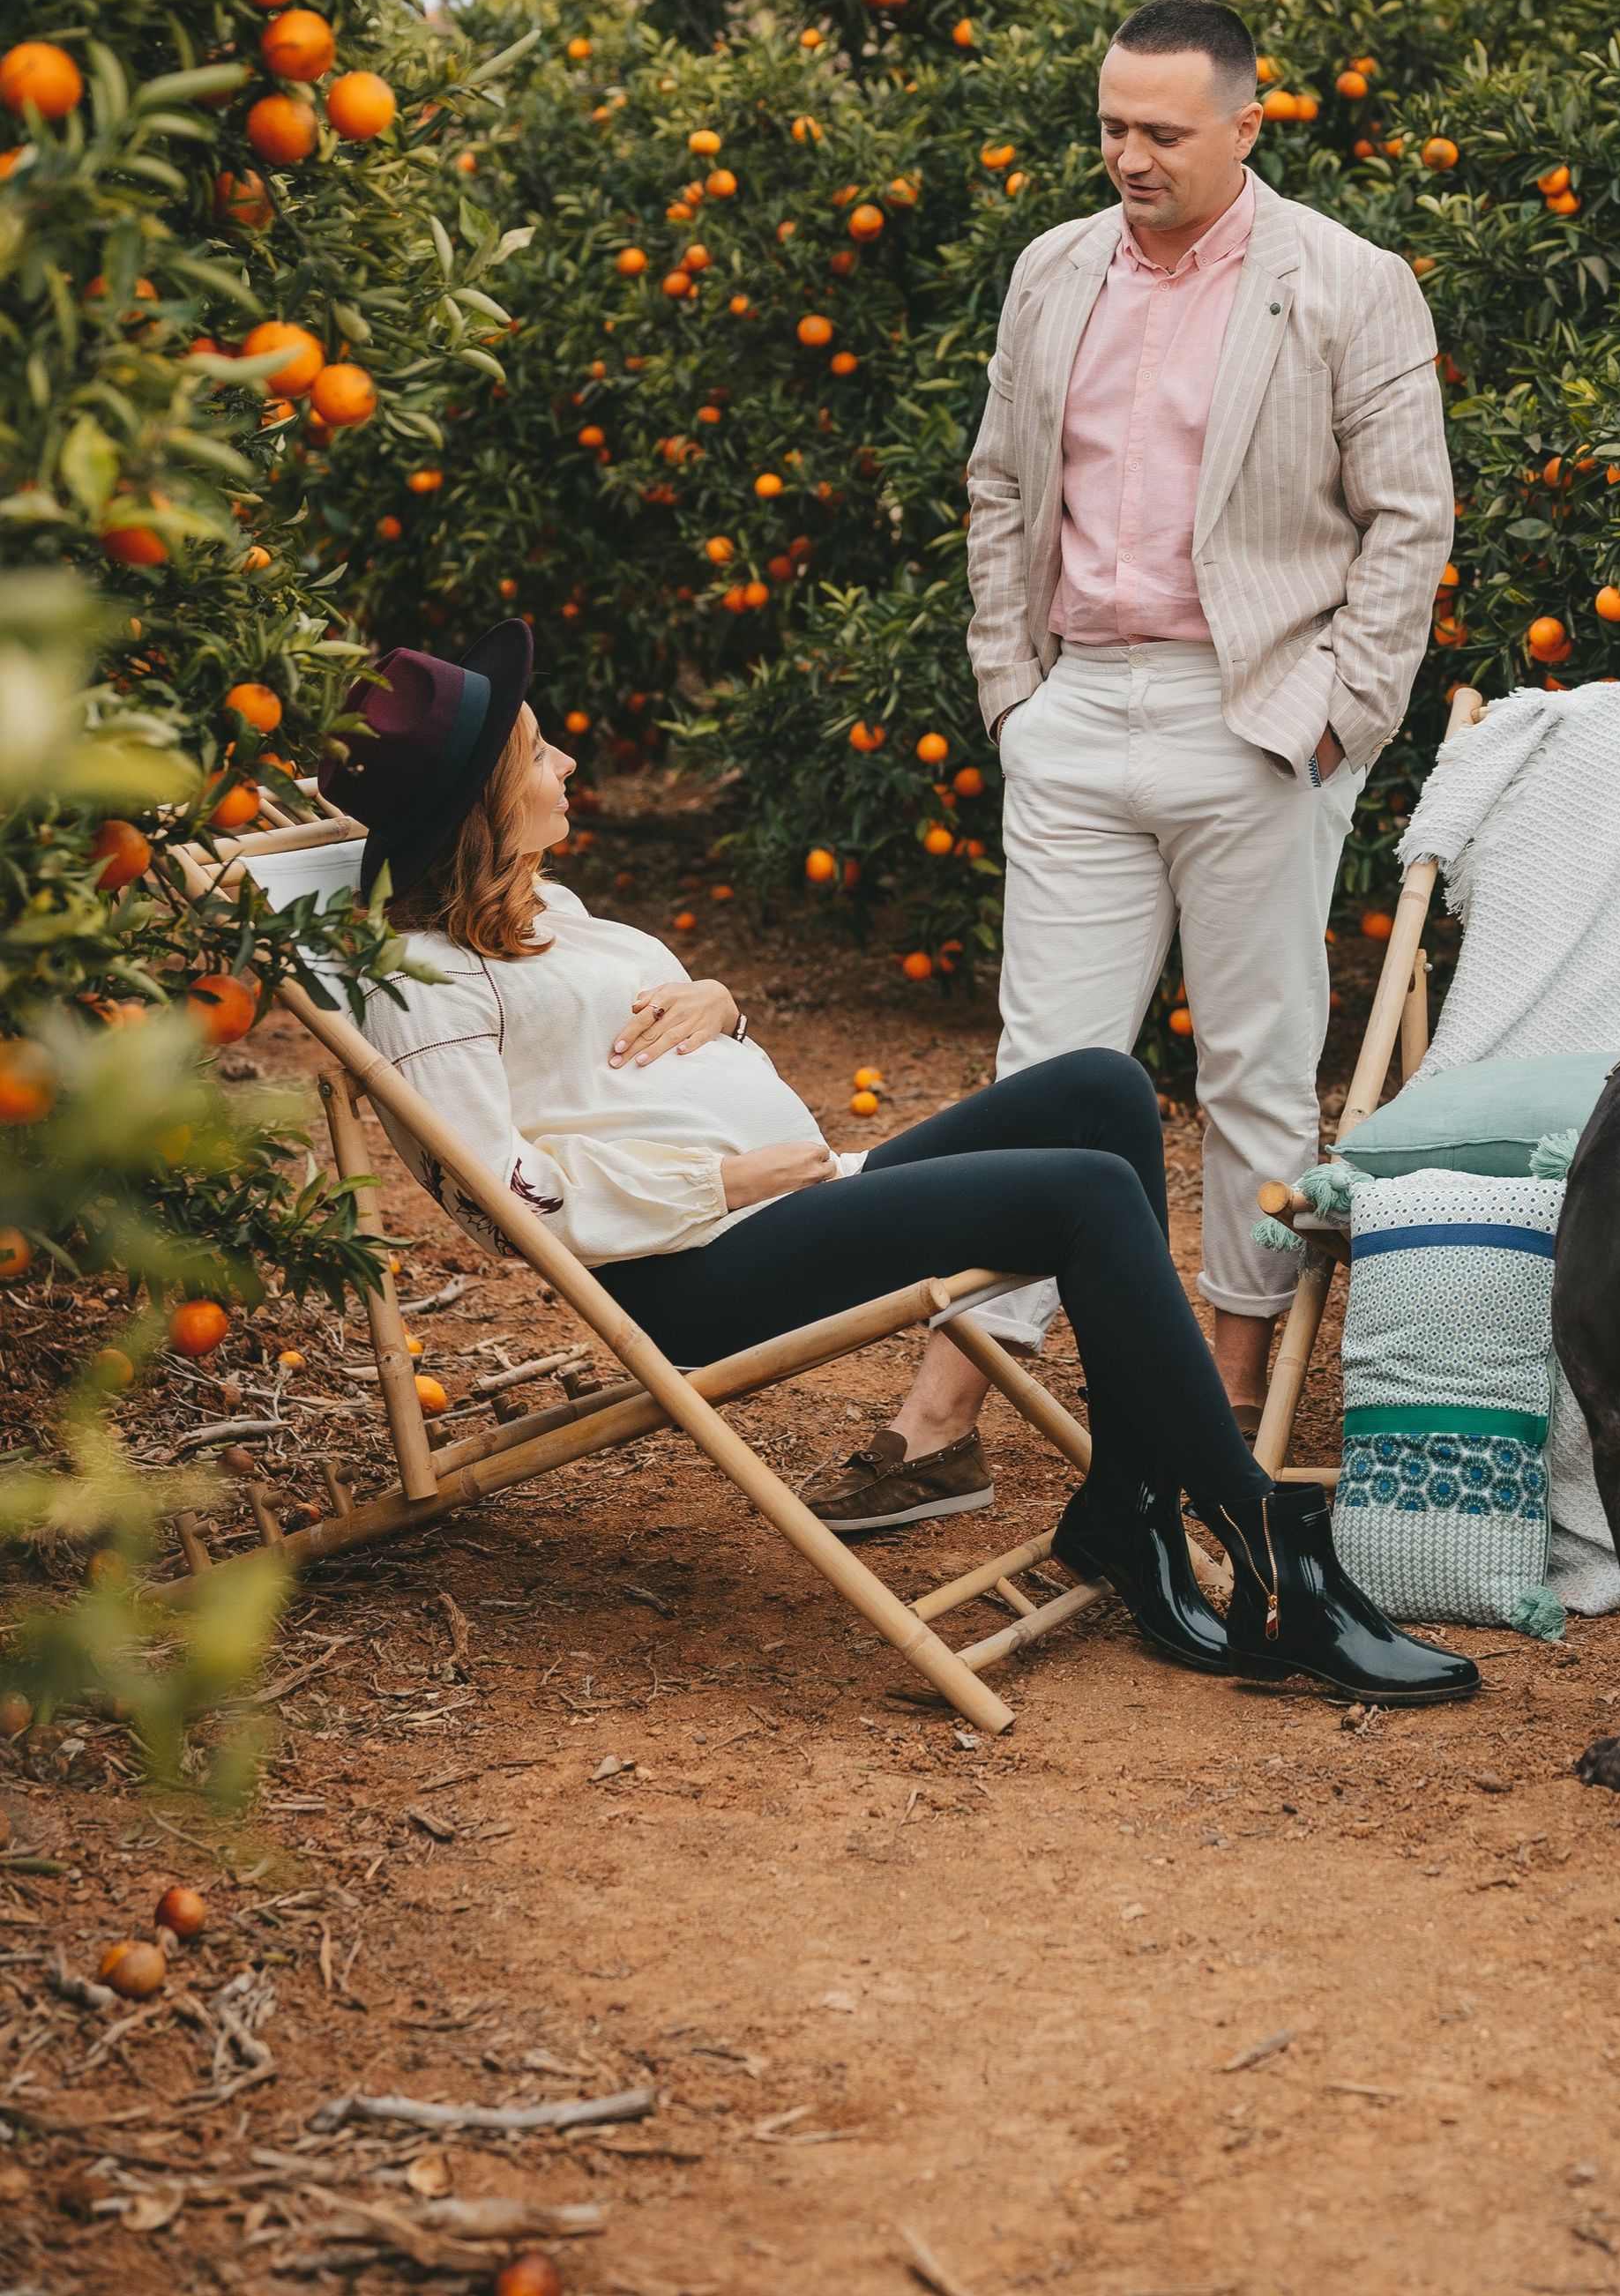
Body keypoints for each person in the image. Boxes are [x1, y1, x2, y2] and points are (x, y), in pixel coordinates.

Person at [332, 625, 1474, 1709]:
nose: (568, 756)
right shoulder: (423, 987)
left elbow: (619, 1063)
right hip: (696, 1272)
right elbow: (504, 1196)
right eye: (538, 750)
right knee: (1086, 1193)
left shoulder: (543, 910)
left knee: (1101, 1089)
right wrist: (726, 1184)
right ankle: (1270, 1548)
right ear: (483, 804)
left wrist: (721, 1010)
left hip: (792, 1199)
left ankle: (1130, 1506)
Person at [807, 0, 1453, 1536]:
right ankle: (958, 1398)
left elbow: (1410, 523)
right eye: (1111, 125)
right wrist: (1013, 696)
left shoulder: (1347, 285)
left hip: (1257, 714)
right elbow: (997, 488)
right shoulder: (1053, 270)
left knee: (1251, 1066)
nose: (1128, 156)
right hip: (1078, 708)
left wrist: (1328, 719)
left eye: (1162, 131)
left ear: (1248, 121)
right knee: (1047, 1072)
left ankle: (1218, 1396)